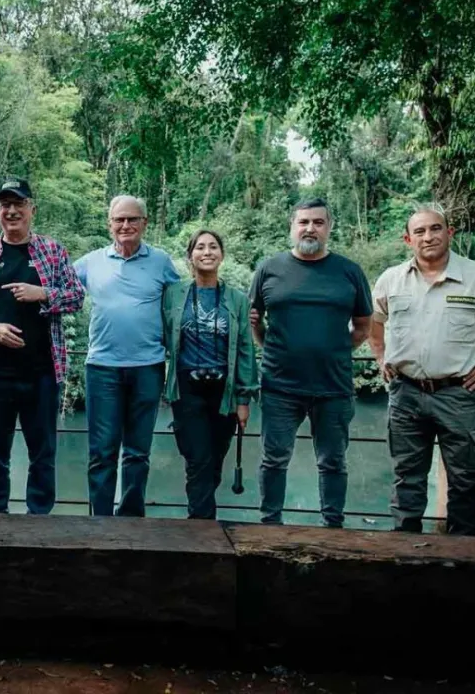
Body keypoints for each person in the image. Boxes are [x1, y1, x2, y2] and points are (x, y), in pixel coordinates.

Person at [0, 177, 85, 514]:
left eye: (19, 204)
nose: (12, 211)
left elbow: (76, 296)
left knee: (42, 453)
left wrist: (42, 293)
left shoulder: (53, 251)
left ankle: (39, 519)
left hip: (42, 372)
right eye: (5, 205)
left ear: (32, 209)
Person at [369, 205, 475, 535]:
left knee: (466, 482)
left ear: (449, 232)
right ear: (408, 239)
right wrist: (381, 355)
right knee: (406, 481)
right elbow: (374, 320)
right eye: (421, 231)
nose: (429, 236)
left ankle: (462, 564)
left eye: (436, 228)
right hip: (406, 394)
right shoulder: (391, 279)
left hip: (460, 394)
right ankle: (404, 558)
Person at [249, 197, 373, 528]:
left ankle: (333, 528)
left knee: (332, 462)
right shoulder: (269, 268)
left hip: (333, 386)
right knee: (274, 460)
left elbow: (363, 326)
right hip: (279, 386)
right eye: (303, 222)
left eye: (318, 222)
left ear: (329, 227)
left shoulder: (349, 271)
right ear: (292, 226)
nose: (310, 228)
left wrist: (332, 350)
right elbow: (254, 320)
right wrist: (274, 348)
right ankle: (269, 526)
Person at [73, 195, 180, 517]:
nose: (125, 226)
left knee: (137, 451)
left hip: (148, 367)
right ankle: (100, 521)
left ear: (144, 223)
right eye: (119, 220)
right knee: (101, 451)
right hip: (102, 368)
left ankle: (131, 520)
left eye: (133, 219)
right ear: (109, 224)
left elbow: (181, 304)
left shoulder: (161, 262)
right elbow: (57, 291)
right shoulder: (90, 262)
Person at [162, 229, 257, 519]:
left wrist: (243, 398)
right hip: (187, 388)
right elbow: (163, 334)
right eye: (200, 247)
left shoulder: (237, 300)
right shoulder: (174, 294)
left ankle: (201, 521)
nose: (207, 252)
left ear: (222, 255)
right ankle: (201, 529)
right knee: (198, 460)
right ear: (190, 256)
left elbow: (244, 349)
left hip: (223, 389)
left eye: (213, 247)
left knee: (215, 460)